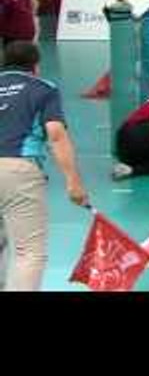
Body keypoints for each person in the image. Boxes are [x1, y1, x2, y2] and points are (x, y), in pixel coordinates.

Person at [0, 41, 89, 291]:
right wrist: (73, 182)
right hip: (18, 171)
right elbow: (56, 134)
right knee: (28, 252)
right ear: (36, 67)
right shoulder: (43, 89)